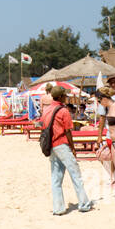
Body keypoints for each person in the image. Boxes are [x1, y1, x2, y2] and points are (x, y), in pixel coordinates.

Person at [42, 87, 92, 215]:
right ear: (60, 97)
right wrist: (73, 147)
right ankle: (84, 204)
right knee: (75, 174)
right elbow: (68, 131)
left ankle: (58, 208)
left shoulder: (47, 110)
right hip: (62, 144)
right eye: (65, 96)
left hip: (52, 146)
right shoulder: (63, 111)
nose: (66, 97)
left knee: (56, 178)